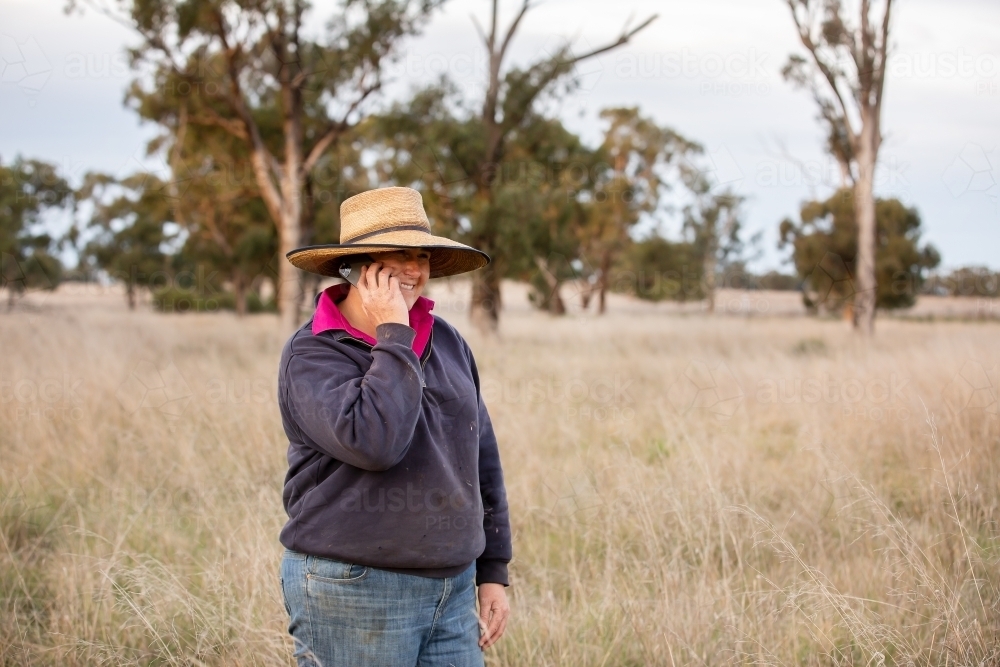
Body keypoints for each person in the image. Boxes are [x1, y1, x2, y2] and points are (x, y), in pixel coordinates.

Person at [276, 186, 512, 667]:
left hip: (453, 586)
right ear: (358, 266)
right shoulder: (314, 353)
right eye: (399, 254)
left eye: (422, 254)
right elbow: (376, 443)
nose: (416, 269)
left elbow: (480, 454)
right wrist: (394, 336)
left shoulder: (447, 341)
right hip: (354, 587)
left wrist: (493, 570)